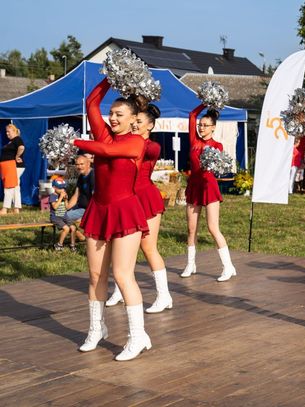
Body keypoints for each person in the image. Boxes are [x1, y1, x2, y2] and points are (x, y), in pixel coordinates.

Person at [73, 78, 151, 362]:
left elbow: (104, 151)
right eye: (112, 113)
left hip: (125, 211)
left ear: (133, 120)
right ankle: (97, 328)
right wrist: (111, 77)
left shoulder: (136, 143)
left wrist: (75, 142)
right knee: (95, 275)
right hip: (99, 209)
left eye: (120, 114)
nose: (113, 118)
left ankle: (137, 336)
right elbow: (92, 103)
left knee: (122, 274)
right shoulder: (105, 135)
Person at [106, 104, 173, 314]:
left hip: (146, 198)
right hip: (125, 199)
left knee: (148, 247)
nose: (134, 125)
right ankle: (119, 290)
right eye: (133, 121)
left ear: (150, 126)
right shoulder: (125, 141)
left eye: (139, 122)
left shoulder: (152, 146)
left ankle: (164, 295)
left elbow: (148, 150)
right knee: (121, 247)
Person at [180, 103, 237, 282]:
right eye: (200, 125)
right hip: (194, 187)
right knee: (191, 229)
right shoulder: (194, 141)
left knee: (213, 228)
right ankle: (190, 264)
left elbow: (215, 167)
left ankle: (228, 266)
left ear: (213, 127)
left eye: (205, 125)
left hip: (209, 187)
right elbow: (192, 114)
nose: (201, 128)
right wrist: (206, 102)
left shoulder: (217, 145)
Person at [64, 154, 94, 241]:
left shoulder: (93, 176)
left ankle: (79, 234)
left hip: (88, 209)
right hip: (80, 206)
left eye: (81, 164)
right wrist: (66, 208)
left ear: (88, 164)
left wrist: (88, 214)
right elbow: (76, 195)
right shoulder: (81, 177)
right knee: (60, 215)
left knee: (63, 217)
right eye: (77, 164)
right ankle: (78, 233)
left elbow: (95, 197)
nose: (79, 167)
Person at [0, 124, 25, 215]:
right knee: (15, 187)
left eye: (8, 131)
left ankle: (5, 209)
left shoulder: (17, 139)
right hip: (9, 165)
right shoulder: (11, 141)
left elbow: (21, 147)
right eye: (6, 132)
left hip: (13, 166)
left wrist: (17, 156)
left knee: (9, 186)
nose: (7, 133)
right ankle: (16, 208)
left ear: (14, 131)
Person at [48, 176, 78, 251]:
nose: (63, 190)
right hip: (56, 217)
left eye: (64, 188)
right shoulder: (53, 196)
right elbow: (55, 207)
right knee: (66, 229)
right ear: (54, 187)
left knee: (73, 228)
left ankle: (72, 245)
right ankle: (59, 244)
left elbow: (67, 207)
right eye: (60, 188)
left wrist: (65, 200)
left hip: (64, 216)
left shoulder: (62, 195)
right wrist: (60, 198)